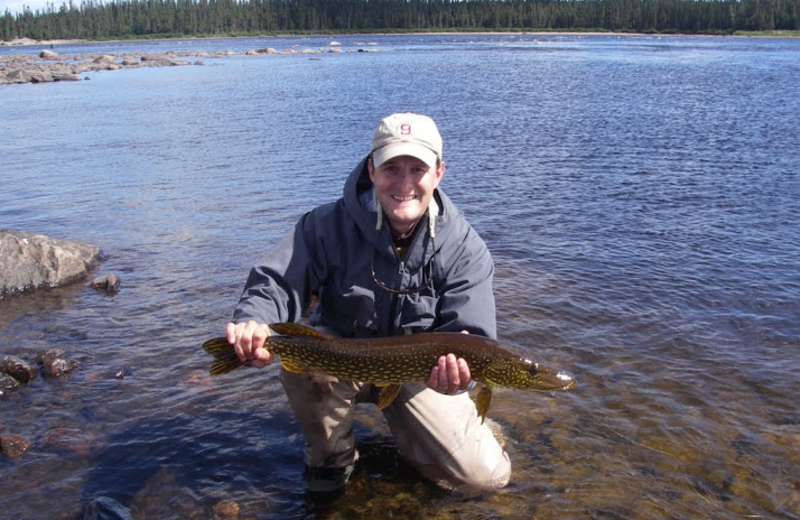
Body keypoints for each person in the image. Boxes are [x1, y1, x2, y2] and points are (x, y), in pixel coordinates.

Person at [225, 113, 511, 494]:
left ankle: (466, 431)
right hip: (340, 361)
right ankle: (331, 460)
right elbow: (277, 281)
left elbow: (474, 336)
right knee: (305, 363)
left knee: (484, 479)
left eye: (418, 169)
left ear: (439, 173)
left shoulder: (465, 249)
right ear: (371, 170)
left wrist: (461, 378)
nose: (405, 183)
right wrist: (255, 322)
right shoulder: (324, 225)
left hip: (419, 377)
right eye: (392, 168)